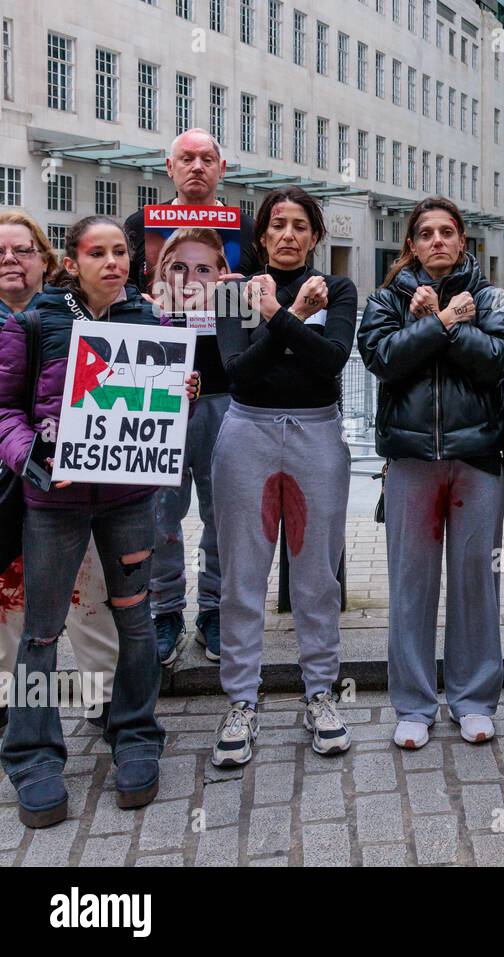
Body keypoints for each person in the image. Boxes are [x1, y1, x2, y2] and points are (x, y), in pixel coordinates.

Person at [0, 215, 198, 828]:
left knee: (135, 621)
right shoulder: (36, 322)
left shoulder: (150, 321)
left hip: (128, 501)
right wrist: (31, 455)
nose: (112, 262)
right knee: (40, 632)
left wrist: (179, 394)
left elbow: (157, 411)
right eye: (97, 252)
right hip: (53, 505)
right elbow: (4, 410)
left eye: (120, 252)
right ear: (73, 260)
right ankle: (32, 756)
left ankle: (135, 736)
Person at [358, 197, 504, 747]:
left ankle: (474, 699)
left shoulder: (492, 296)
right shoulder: (386, 299)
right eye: (426, 233)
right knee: (411, 585)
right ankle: (414, 704)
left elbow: (500, 360)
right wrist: (440, 322)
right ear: (412, 245)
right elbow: (383, 360)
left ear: (463, 240)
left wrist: (443, 328)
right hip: (410, 459)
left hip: (476, 457)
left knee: (476, 582)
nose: (438, 241)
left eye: (448, 231)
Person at [210, 187, 357, 767]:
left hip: (317, 433)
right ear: (261, 235)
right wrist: (290, 318)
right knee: (242, 571)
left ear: (316, 236)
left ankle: (321, 691)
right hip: (247, 430)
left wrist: (275, 318)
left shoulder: (337, 289)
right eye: (278, 225)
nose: (289, 235)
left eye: (301, 225)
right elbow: (240, 373)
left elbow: (331, 361)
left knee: (317, 571)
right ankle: (241, 700)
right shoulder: (233, 292)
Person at [124, 128, 259, 667]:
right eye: (187, 158)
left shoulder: (247, 228)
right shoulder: (140, 226)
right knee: (159, 512)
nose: (197, 166)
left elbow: (260, 305)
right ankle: (164, 612)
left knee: (225, 510)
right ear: (169, 166)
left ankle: (214, 610)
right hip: (157, 386)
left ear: (221, 169)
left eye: (207, 158)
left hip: (226, 387)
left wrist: (244, 292)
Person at [0, 211, 117, 735]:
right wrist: (27, 457)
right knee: (10, 602)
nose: (11, 260)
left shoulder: (82, 317)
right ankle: (10, 700)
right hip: (9, 483)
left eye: (22, 250)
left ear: (46, 262)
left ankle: (104, 696)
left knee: (88, 594)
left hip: (74, 483)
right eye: (0, 253)